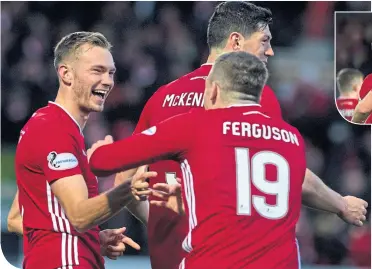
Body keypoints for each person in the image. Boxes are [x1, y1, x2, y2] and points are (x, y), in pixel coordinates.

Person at [113, 2, 369, 269]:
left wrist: (162, 225)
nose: (270, 50)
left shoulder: (161, 98)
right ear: (236, 41)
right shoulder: (252, 98)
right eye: (264, 41)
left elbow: (123, 180)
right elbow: (286, 174)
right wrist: (340, 204)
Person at [89, 51, 307, 268]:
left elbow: (104, 162)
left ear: (214, 90)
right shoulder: (292, 138)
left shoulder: (196, 125)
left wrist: (100, 151)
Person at [13, 31, 157, 269]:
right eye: (97, 71)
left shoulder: (48, 124)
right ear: (66, 74)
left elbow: (17, 218)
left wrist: (92, 238)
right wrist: (128, 188)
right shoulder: (54, 131)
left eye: (111, 73)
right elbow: (79, 216)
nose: (108, 80)